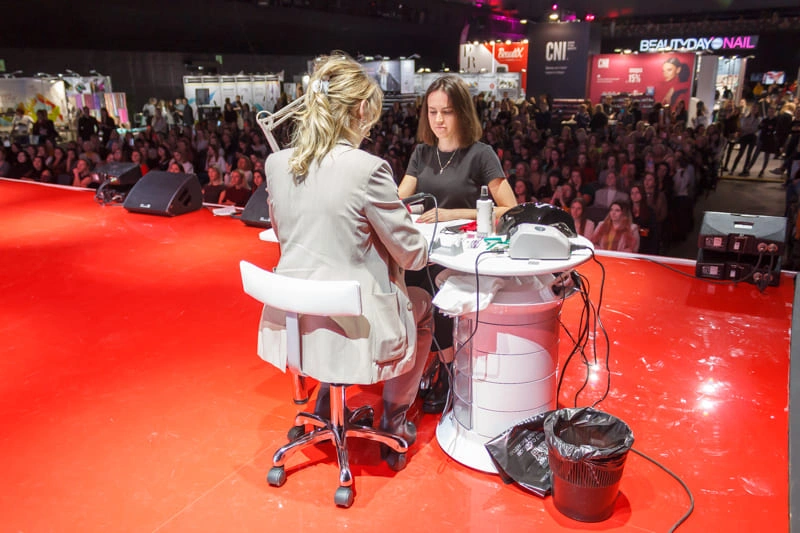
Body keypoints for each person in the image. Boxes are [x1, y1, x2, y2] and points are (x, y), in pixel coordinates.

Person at [263, 52, 432, 461]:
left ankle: (325, 406)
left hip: (297, 321)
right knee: (424, 307)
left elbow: (286, 235)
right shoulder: (367, 169)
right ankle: (393, 419)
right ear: (359, 110)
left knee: (328, 289)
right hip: (354, 320)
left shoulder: (277, 164)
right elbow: (413, 256)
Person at [397, 74, 516, 414]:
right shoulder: (422, 153)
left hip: (462, 254)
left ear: (462, 113)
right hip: (424, 247)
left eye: (446, 112)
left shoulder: (481, 155)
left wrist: (453, 213)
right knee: (406, 282)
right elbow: (398, 201)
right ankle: (429, 361)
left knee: (436, 289)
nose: (438, 120)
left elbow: (510, 209)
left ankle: (448, 370)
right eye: (432, 112)